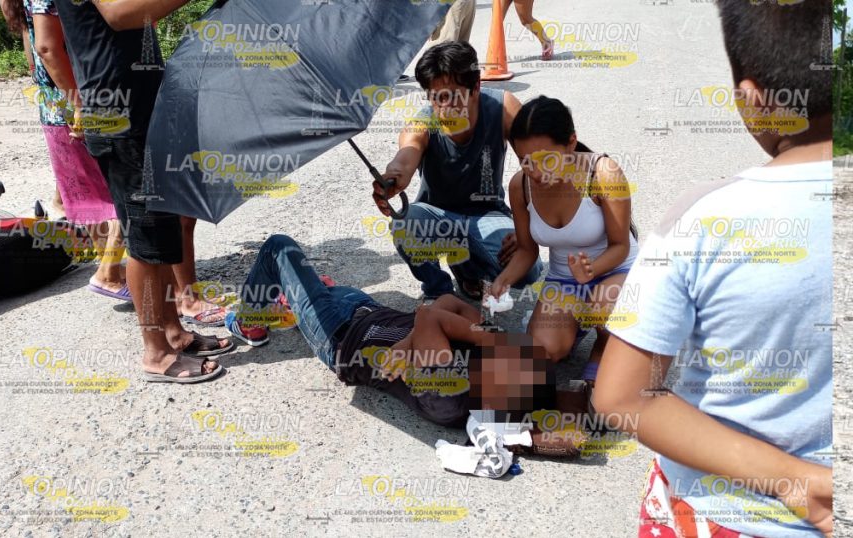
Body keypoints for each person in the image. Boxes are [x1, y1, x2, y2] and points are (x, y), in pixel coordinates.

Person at [593, 1, 833, 536]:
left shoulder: (699, 218)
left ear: (751, 98)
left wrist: (797, 481)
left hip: (722, 516)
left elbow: (621, 395)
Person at [55, 0, 234, 383]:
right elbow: (121, 13)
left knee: (162, 226)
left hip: (138, 105)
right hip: (120, 112)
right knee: (146, 237)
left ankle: (174, 333)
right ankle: (155, 351)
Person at [226, 234, 555, 428]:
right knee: (320, 289)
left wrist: (474, 333)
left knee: (278, 248)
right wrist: (418, 338)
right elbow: (447, 302)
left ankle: (249, 322)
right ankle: (296, 301)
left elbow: (431, 313)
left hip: (339, 336)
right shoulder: (481, 367)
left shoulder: (448, 395)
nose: (505, 344)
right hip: (365, 308)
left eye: (509, 351)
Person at [375, 42, 543, 302]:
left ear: (476, 87)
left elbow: (536, 168)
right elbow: (405, 156)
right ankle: (438, 292)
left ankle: (468, 269)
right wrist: (392, 179)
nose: (443, 106)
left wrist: (528, 226)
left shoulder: (504, 108)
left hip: (488, 215)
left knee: (528, 270)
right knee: (406, 221)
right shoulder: (422, 123)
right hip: (437, 216)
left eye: (452, 95)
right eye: (435, 96)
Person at [490, 95, 638, 386]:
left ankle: (602, 346)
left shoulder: (603, 173)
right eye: (525, 162)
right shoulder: (521, 186)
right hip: (564, 280)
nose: (536, 172)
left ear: (571, 143)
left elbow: (621, 245)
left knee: (603, 308)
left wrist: (592, 270)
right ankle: (573, 325)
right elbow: (527, 251)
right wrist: (503, 280)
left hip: (616, 271)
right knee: (543, 349)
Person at [0, 0, 128, 300]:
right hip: (78, 100)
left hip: (53, 105)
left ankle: (110, 266)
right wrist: (79, 103)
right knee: (124, 189)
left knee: (91, 195)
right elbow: (47, 47)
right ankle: (107, 273)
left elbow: (31, 43)